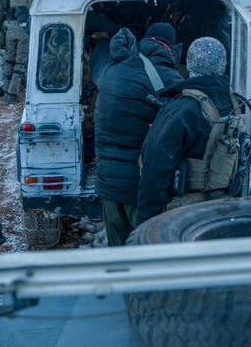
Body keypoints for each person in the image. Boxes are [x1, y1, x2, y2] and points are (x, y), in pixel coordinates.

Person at [90, 22, 182, 246]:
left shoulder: (112, 69)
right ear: (171, 48)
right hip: (140, 186)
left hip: (108, 182)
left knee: (119, 250)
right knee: (145, 249)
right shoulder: (169, 80)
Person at [136, 36, 242, 225]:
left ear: (190, 63)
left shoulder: (183, 108)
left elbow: (155, 169)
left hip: (184, 213)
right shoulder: (233, 101)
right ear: (223, 64)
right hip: (222, 208)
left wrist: (146, 221)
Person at [0, 0, 39, 103]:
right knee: (20, 62)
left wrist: (0, 27)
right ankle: (12, 95)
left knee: (9, 59)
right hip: (24, 28)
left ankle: (4, 88)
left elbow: (2, 5)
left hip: (11, 27)